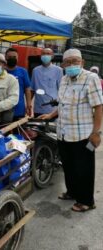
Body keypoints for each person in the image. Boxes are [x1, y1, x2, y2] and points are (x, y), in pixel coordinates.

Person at [40, 49, 103, 212]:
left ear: (82, 63)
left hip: (82, 134)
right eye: (68, 62)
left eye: (75, 61)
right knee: (68, 166)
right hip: (63, 132)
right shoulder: (64, 79)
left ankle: (87, 201)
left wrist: (96, 133)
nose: (71, 65)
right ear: (63, 65)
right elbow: (62, 104)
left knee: (84, 169)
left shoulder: (91, 78)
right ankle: (72, 192)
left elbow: (98, 106)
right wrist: (51, 114)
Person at [31, 48, 63, 117]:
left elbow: (61, 90)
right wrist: (28, 105)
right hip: (38, 108)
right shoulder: (35, 70)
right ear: (40, 56)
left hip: (52, 109)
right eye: (43, 53)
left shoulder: (58, 70)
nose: (45, 55)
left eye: (48, 54)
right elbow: (32, 89)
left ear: (52, 56)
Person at [5, 48, 32, 119]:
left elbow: (27, 89)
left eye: (14, 57)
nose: (12, 59)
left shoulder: (23, 71)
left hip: (19, 109)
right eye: (10, 57)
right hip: (4, 109)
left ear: (17, 58)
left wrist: (29, 104)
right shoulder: (1, 72)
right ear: (6, 58)